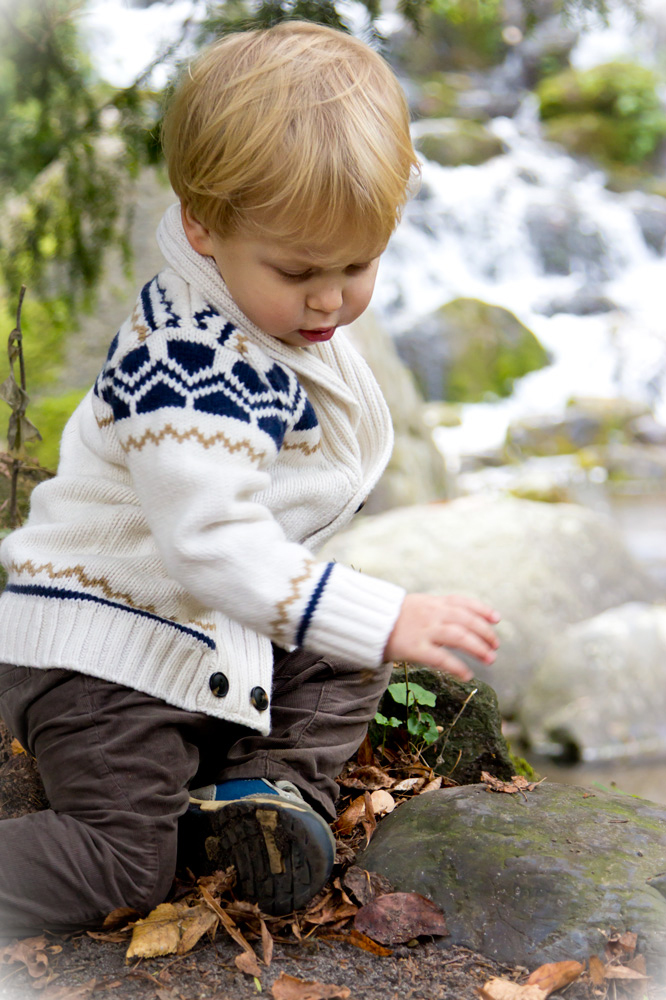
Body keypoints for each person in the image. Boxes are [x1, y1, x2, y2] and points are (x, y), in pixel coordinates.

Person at [0, 21, 499, 935]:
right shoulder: (189, 363)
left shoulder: (271, 321)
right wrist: (382, 612)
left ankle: (259, 794)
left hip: (207, 620)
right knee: (123, 863)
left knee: (347, 648)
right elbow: (210, 544)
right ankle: (161, 817)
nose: (330, 300)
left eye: (358, 265)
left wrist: (366, 621)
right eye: (300, 270)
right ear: (202, 224)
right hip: (107, 648)